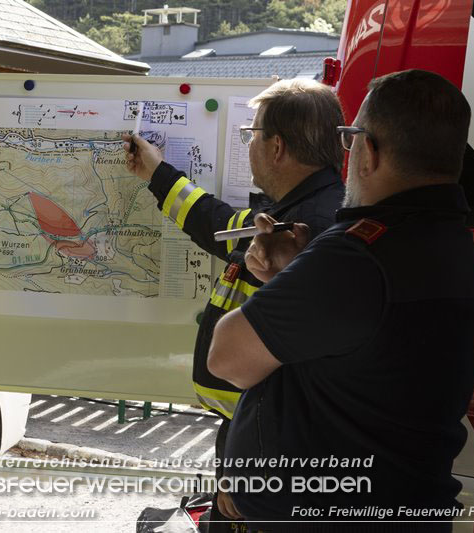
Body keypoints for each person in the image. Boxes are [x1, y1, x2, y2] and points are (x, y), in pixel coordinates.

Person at [207, 69, 474, 532]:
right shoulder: (453, 246)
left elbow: (228, 358)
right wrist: (296, 273)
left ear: (369, 151)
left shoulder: (360, 254)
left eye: (350, 138)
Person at [122, 79, 345, 529]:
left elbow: (304, 379)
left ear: (276, 146)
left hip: (274, 453)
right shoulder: (296, 212)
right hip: (255, 435)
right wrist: (157, 174)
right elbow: (219, 225)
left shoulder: (314, 229)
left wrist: (254, 472)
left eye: (252, 135)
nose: (249, 145)